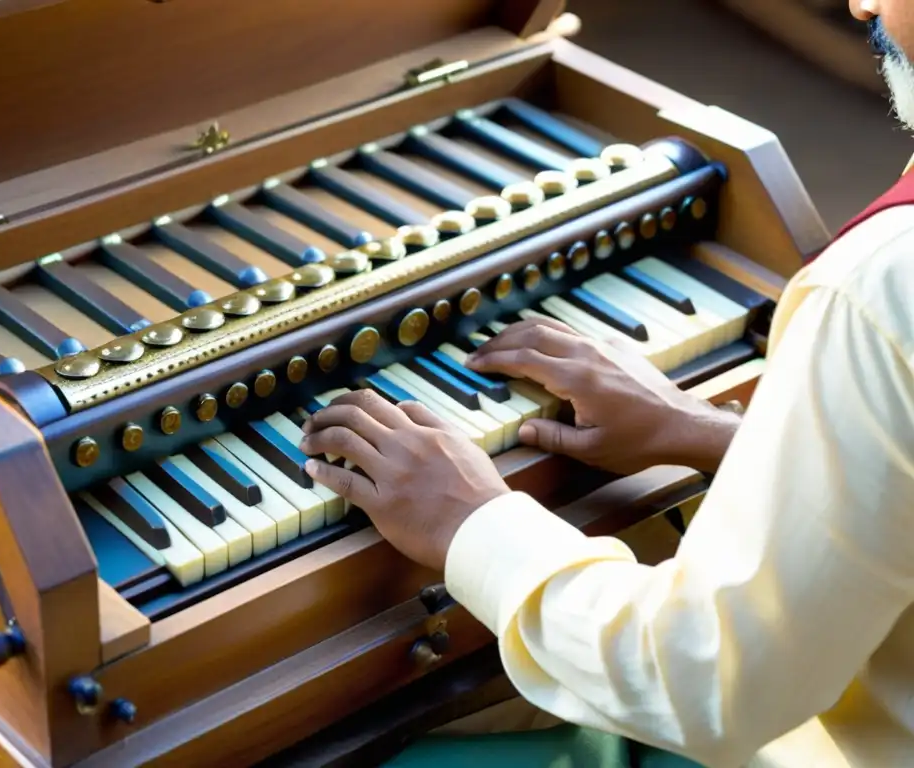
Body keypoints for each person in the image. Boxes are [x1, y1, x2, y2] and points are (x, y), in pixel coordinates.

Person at [300, 2, 914, 766]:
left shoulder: (880, 286)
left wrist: (471, 520)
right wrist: (718, 435)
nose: (861, 2)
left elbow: (707, 688)